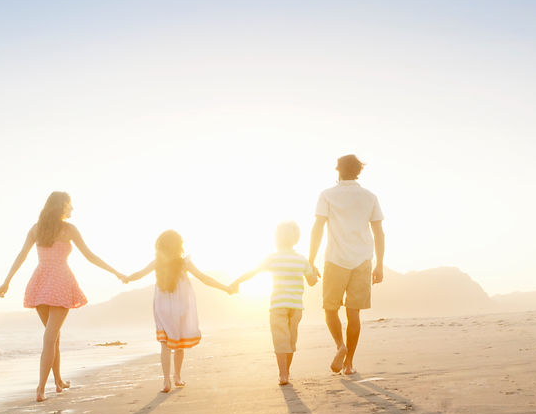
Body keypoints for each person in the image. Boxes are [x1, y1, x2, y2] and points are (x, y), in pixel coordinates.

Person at [0, 191, 126, 402]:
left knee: (52, 335)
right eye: (70, 205)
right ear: (62, 206)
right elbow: (90, 256)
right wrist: (116, 272)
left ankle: (57, 381)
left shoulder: (37, 229)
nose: (72, 209)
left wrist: (7, 281)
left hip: (39, 282)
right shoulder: (69, 230)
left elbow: (22, 256)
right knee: (50, 336)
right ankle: (40, 388)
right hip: (60, 282)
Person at [124, 230, 235, 393]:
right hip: (181, 306)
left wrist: (126, 278)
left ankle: (166, 380)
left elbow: (139, 274)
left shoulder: (157, 262)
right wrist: (225, 288)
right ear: (179, 246)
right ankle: (177, 376)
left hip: (162, 307)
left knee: (165, 344)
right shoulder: (184, 263)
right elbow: (204, 278)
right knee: (179, 343)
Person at [308, 154, 385, 375]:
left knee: (330, 309)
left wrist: (311, 261)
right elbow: (378, 232)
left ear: (337, 169)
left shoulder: (327, 195)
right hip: (362, 260)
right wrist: (379, 264)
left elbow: (318, 229)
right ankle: (349, 363)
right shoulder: (370, 197)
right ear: (358, 171)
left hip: (335, 259)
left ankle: (340, 346)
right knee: (354, 314)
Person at [231, 221, 318, 385]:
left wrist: (236, 281)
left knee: (281, 340)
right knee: (291, 341)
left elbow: (253, 272)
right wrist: (314, 270)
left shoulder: (272, 258)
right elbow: (312, 282)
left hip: (278, 304)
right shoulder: (301, 259)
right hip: (296, 306)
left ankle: (283, 374)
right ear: (296, 238)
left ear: (277, 238)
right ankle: (286, 372)